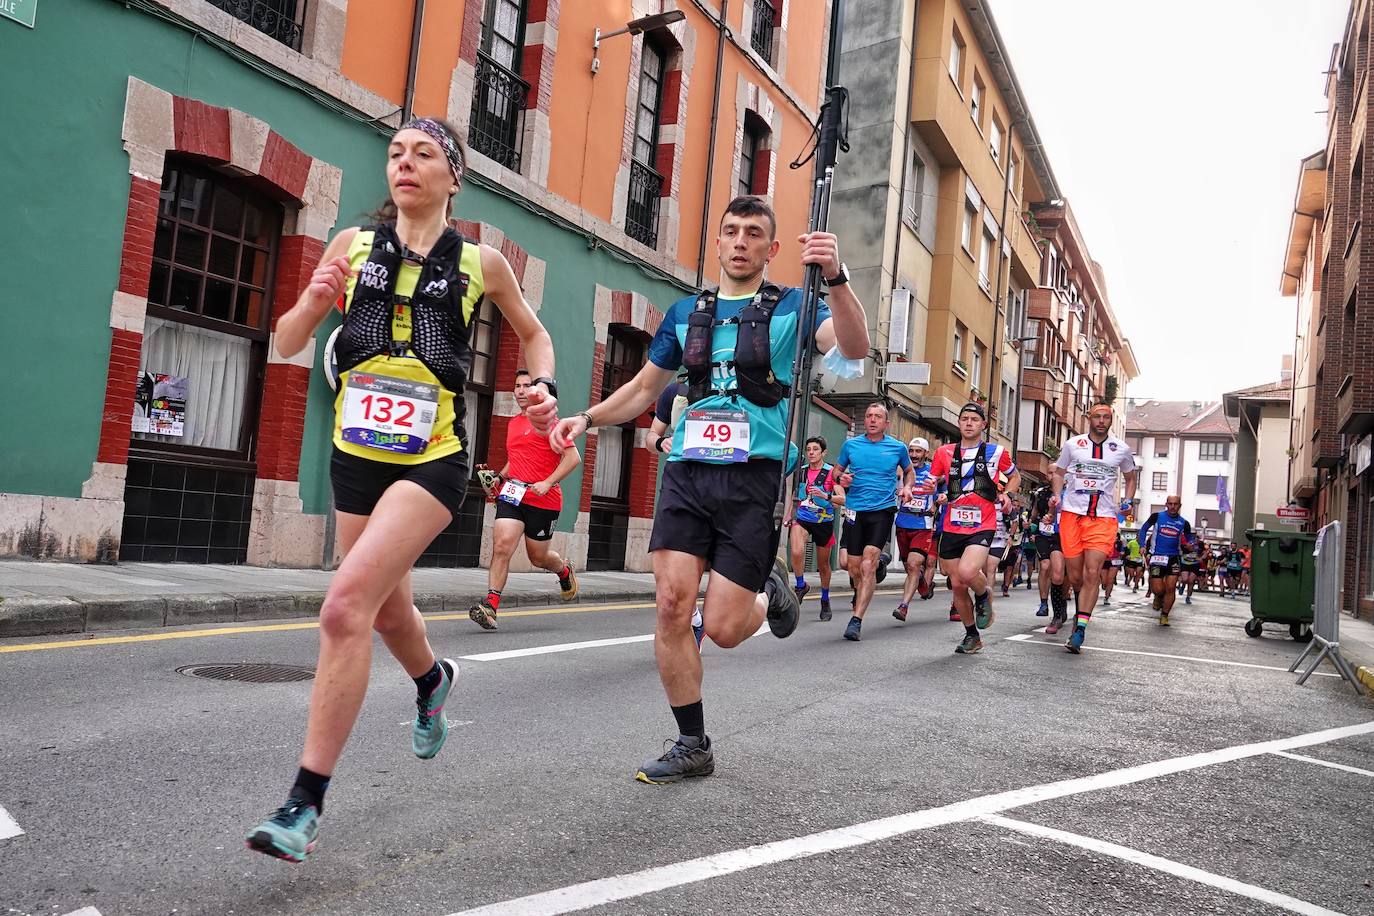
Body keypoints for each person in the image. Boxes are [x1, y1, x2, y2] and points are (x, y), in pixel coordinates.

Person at [246, 118, 557, 862]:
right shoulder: (351, 248)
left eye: (423, 154)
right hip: (356, 455)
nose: (404, 164)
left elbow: (535, 335)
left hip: (434, 460)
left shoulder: (484, 263)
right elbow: (287, 343)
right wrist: (315, 299)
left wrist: (540, 385)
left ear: (454, 177)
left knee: (343, 605)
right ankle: (432, 679)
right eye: (394, 153)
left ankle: (303, 803)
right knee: (386, 612)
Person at [550, 195, 869, 783]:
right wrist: (587, 419)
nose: (740, 241)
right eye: (730, 231)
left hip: (754, 478)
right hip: (688, 473)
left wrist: (837, 277)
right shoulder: (683, 314)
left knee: (721, 630)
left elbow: (853, 349)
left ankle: (767, 594)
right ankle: (692, 742)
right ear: (717, 243)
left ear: (772, 250)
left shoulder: (796, 306)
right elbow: (646, 389)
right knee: (672, 604)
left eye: (753, 233)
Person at [470, 370, 581, 629]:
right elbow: (517, 458)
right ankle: (490, 606)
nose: (521, 391)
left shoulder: (553, 424)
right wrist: (499, 477)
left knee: (538, 558)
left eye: (527, 386)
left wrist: (548, 482)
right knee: (502, 546)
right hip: (513, 495)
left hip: (544, 500)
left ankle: (564, 571)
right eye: (517, 386)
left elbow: (573, 458)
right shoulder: (514, 423)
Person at [929, 403, 1019, 654]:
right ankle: (972, 635)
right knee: (956, 583)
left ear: (983, 425)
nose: (969, 423)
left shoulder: (996, 452)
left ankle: (983, 592)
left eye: (974, 419)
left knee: (968, 573)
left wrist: (1007, 495)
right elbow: (933, 479)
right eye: (964, 419)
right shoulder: (944, 453)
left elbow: (1015, 476)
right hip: (952, 524)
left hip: (983, 523)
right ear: (959, 423)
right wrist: (928, 487)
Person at [1049, 403, 1139, 653]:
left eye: (1106, 417)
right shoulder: (1072, 445)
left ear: (1111, 421)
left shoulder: (1121, 449)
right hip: (1072, 516)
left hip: (1104, 518)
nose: (1101, 421)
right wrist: (1057, 494)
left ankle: (1080, 629)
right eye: (1097, 416)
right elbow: (1058, 473)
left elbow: (1131, 477)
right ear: (1089, 418)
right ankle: (1078, 610)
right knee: (1075, 577)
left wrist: (1128, 500)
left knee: (1092, 573)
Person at [832, 404, 913, 641]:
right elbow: (836, 472)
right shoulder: (851, 445)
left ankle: (856, 620)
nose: (872, 420)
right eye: (868, 416)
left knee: (867, 566)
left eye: (878, 416)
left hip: (882, 510)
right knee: (854, 567)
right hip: (855, 510)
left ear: (886, 423)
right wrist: (842, 478)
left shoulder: (897, 447)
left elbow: (909, 471)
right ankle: (879, 568)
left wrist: (907, 487)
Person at [788, 436, 843, 620]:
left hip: (824, 522)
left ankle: (825, 599)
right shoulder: (801, 472)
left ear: (823, 452)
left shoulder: (831, 472)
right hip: (802, 517)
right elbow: (795, 496)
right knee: (796, 551)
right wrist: (790, 514)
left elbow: (842, 499)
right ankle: (801, 585)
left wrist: (825, 495)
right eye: (808, 449)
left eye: (815, 449)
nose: (811, 452)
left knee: (823, 565)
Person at [893, 437, 937, 621]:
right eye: (911, 451)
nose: (914, 455)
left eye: (918, 451)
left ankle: (903, 606)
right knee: (909, 568)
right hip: (902, 524)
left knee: (913, 565)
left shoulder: (934, 474)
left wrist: (940, 498)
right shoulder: (900, 472)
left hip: (922, 525)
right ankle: (924, 584)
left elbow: (945, 492)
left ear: (926, 454)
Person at [1137, 496, 1194, 626]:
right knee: (1157, 588)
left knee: (1171, 587)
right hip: (1157, 556)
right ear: (1166, 504)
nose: (1173, 506)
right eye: (1170, 504)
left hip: (1174, 557)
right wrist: (1142, 545)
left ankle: (1164, 615)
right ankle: (1158, 596)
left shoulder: (1184, 523)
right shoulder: (1156, 516)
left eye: (1176, 504)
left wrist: (1190, 544)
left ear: (1180, 505)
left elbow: (1190, 537)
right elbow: (1144, 529)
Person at [1031, 487, 1069, 633]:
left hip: (1075, 536)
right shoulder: (1047, 494)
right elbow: (1050, 514)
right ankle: (1056, 616)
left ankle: (1072, 610)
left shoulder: (1078, 490)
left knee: (1073, 577)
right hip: (1054, 536)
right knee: (1056, 574)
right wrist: (1049, 516)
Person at [999, 504, 1024, 597]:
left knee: (1010, 567)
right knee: (1003, 566)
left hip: (1016, 544)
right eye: (1014, 504)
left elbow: (1026, 529)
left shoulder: (1022, 517)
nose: (1016, 506)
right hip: (1002, 543)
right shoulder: (1003, 515)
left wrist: (1026, 526)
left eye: (1017, 505)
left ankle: (1006, 588)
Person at [1100, 533, 1124, 606]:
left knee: (1110, 580)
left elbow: (1123, 551)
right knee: (1104, 581)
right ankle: (1104, 586)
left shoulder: (1119, 543)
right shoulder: (1103, 540)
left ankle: (1106, 597)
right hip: (1104, 560)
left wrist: (1121, 553)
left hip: (1114, 561)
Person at [1178, 533, 1201, 604]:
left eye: (1196, 538)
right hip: (1185, 563)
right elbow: (1188, 548)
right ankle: (1183, 585)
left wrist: (1201, 558)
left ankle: (1188, 597)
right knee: (1185, 579)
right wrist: (1189, 546)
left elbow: (1205, 552)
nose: (1195, 540)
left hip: (1194, 564)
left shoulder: (1200, 544)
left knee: (1191, 581)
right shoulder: (1185, 544)